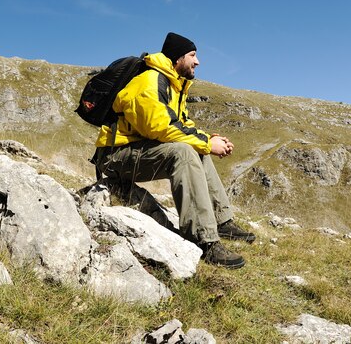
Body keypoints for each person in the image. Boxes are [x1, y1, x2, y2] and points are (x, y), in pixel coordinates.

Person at [95, 32, 255, 269]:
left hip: (136, 151)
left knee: (195, 148)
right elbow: (160, 128)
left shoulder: (172, 84)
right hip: (115, 157)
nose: (198, 61)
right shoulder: (149, 82)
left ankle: (222, 221)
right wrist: (208, 145)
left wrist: (207, 139)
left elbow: (181, 124)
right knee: (184, 152)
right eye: (193, 55)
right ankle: (203, 239)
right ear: (177, 57)